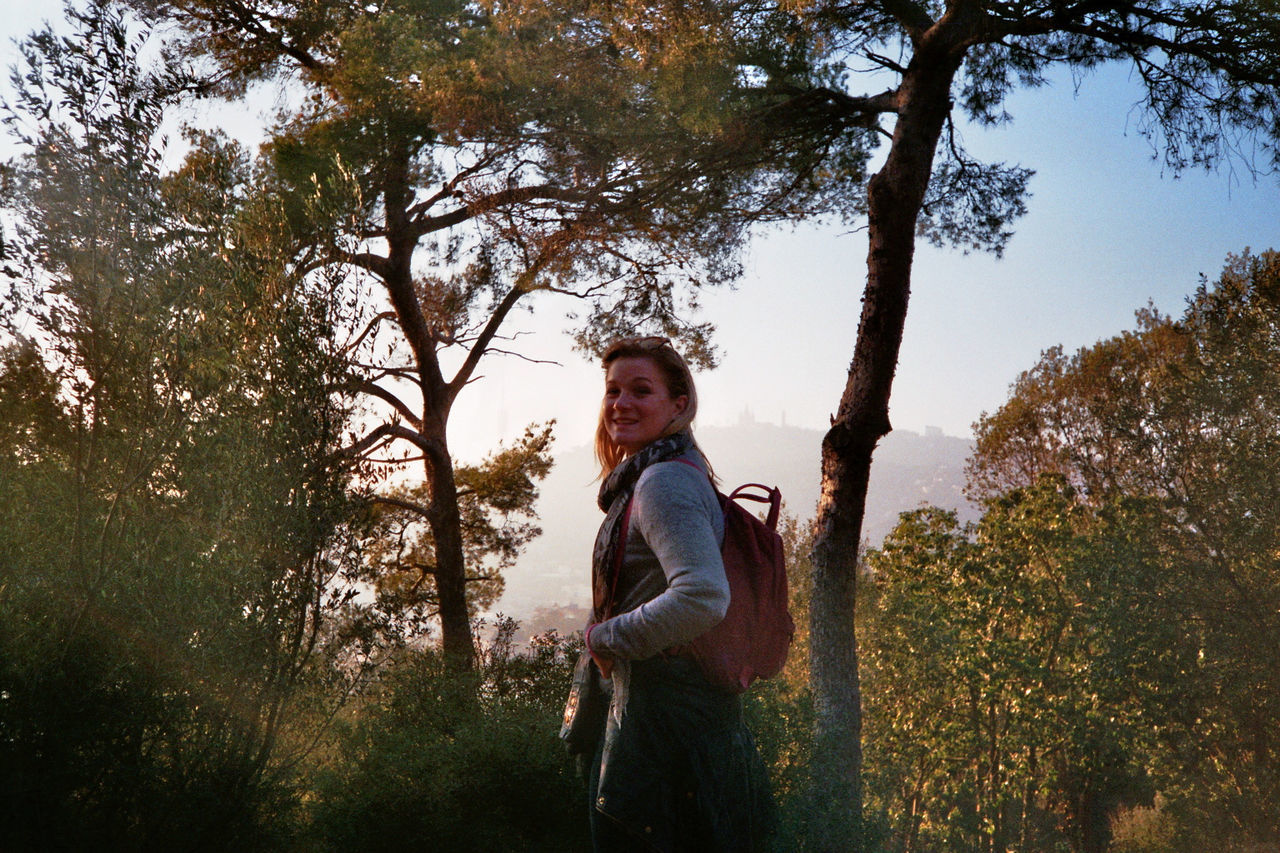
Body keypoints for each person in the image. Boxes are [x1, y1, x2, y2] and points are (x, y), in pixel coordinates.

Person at [576, 336, 774, 852]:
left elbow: (703, 595)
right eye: (613, 390)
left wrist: (606, 637)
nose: (621, 404)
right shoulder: (667, 473)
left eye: (641, 391)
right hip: (686, 725)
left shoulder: (662, 482)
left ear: (678, 404)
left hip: (661, 729)